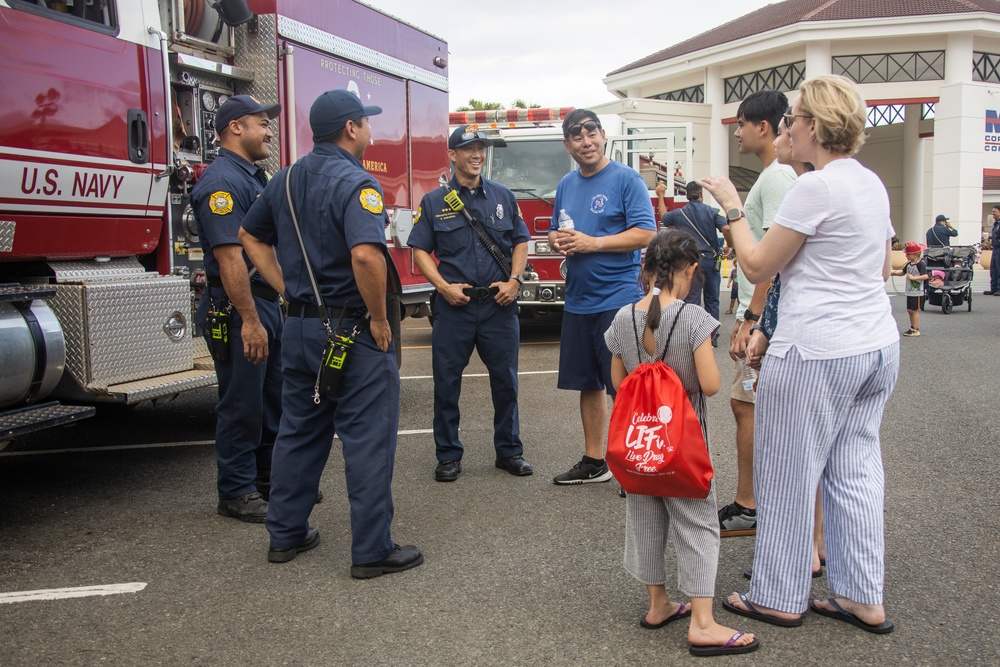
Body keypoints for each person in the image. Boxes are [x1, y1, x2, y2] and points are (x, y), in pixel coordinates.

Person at [700, 74, 899, 634]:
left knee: (787, 472)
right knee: (856, 471)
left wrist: (734, 209)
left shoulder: (815, 187)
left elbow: (758, 265)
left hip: (816, 349)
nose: (790, 127)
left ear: (815, 125)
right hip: (875, 344)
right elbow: (882, 269)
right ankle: (864, 597)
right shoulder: (870, 183)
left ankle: (778, 594)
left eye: (795, 119)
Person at [239, 89, 422, 577]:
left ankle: (286, 534)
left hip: (300, 328)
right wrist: (380, 319)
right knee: (367, 438)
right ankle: (372, 550)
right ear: (350, 129)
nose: (370, 130)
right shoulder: (357, 183)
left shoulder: (285, 178)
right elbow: (365, 255)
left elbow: (249, 236)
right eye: (366, 122)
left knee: (298, 431)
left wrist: (287, 288)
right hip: (350, 330)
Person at [604, 230, 758, 657]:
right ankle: (703, 623)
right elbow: (708, 386)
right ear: (690, 270)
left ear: (648, 269)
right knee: (698, 526)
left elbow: (618, 382)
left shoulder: (623, 318)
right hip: (683, 446)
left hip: (640, 446)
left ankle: (658, 604)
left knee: (646, 519)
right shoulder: (692, 319)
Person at [409, 125, 532, 482]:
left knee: (506, 382)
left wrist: (515, 280)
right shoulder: (435, 201)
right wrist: (443, 287)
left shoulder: (503, 196)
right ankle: (448, 455)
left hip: (498, 306)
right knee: (446, 384)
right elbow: (419, 250)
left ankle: (509, 452)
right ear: (452, 155)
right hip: (454, 307)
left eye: (481, 148)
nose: (477, 154)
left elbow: (521, 241)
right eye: (469, 148)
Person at [547, 109, 657, 485]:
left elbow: (646, 233)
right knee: (588, 382)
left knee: (624, 384)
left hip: (617, 299)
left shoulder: (626, 180)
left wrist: (594, 243)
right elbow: (552, 230)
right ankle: (595, 461)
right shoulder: (566, 184)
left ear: (603, 135)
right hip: (578, 300)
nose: (586, 142)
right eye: (576, 137)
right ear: (568, 145)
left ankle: (636, 462)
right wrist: (556, 240)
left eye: (591, 133)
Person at [190, 95, 283, 523]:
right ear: (234, 128)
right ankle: (237, 490)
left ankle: (267, 479)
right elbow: (230, 259)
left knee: (272, 398)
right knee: (242, 401)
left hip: (265, 303)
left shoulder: (253, 176)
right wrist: (248, 320)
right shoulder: (222, 182)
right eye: (262, 123)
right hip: (240, 307)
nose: (269, 131)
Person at [717, 90, 796, 537]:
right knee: (745, 405)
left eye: (742, 123)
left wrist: (753, 318)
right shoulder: (773, 176)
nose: (739, 132)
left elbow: (775, 255)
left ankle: (751, 505)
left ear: (763, 127)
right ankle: (752, 502)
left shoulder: (777, 178)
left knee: (748, 405)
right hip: (760, 313)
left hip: (764, 317)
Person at [655, 179, 733, 331]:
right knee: (712, 300)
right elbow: (727, 229)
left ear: (687, 195)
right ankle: (711, 335)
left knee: (692, 299)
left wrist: (660, 195)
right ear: (701, 195)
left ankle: (692, 333)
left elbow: (663, 217)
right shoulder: (712, 212)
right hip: (710, 260)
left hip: (689, 261)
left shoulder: (679, 213)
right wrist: (730, 246)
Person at [892, 241, 928, 337]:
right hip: (909, 291)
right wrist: (893, 273)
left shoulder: (921, 264)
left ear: (916, 254)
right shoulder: (909, 264)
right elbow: (902, 272)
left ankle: (915, 329)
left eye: (908, 254)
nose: (906, 256)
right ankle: (912, 327)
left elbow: (925, 276)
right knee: (909, 310)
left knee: (914, 310)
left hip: (917, 292)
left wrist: (914, 278)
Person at [985, 205, 1000, 296]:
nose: (992, 213)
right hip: (995, 248)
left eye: (994, 211)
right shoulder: (996, 224)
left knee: (999, 269)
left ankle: (999, 288)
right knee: (993, 269)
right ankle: (993, 288)